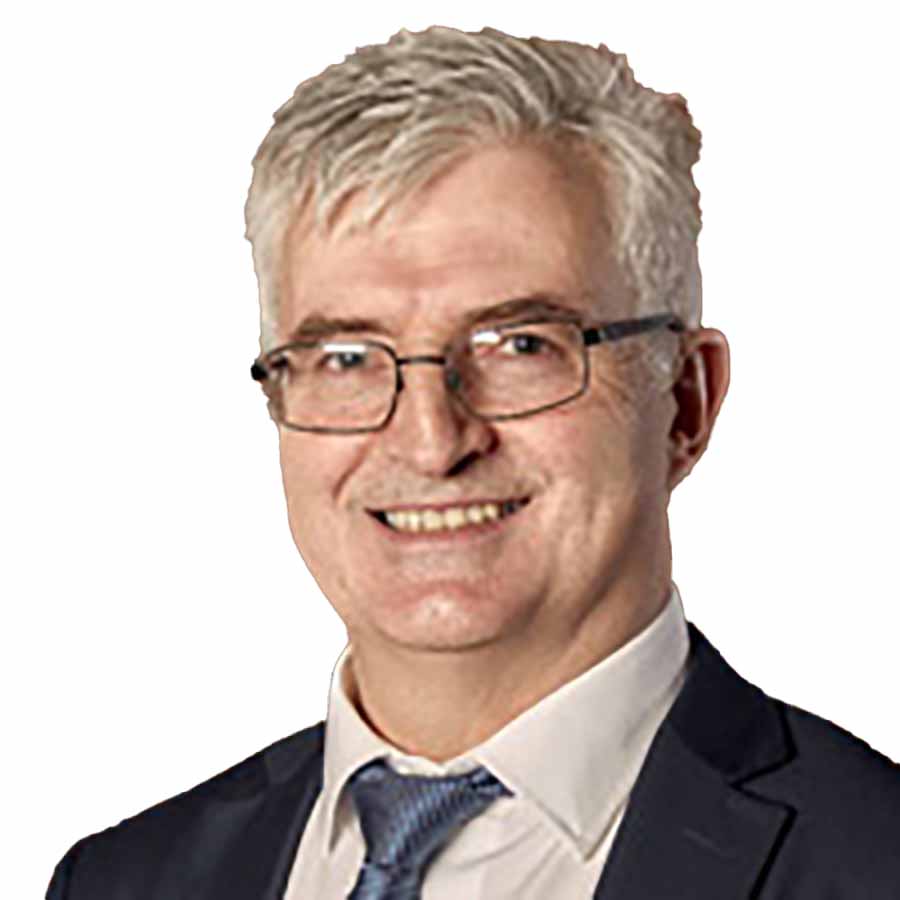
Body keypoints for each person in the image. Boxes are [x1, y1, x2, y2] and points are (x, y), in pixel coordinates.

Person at [47, 24, 900, 900]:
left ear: (685, 400)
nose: (431, 440)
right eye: (346, 357)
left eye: (520, 345)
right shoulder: (120, 881)